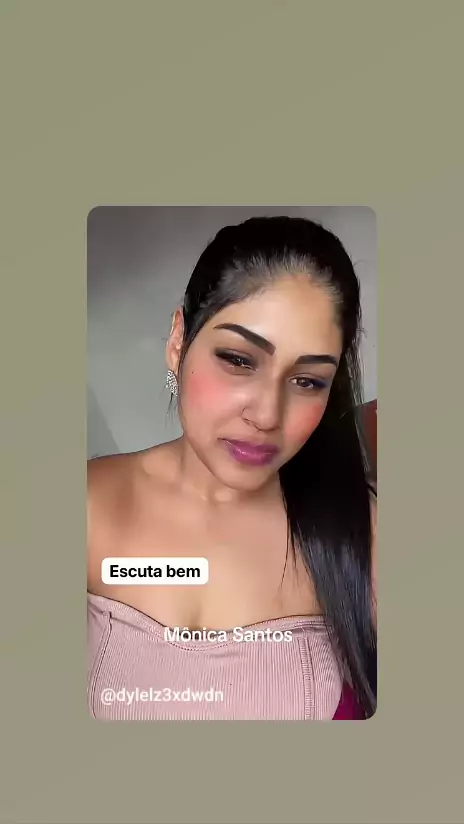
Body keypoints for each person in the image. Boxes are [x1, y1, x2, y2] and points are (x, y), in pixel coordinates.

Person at [87, 215, 377, 721]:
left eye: (307, 381)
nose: (266, 415)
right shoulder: (87, 502)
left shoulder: (362, 530)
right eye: (239, 360)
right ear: (178, 342)